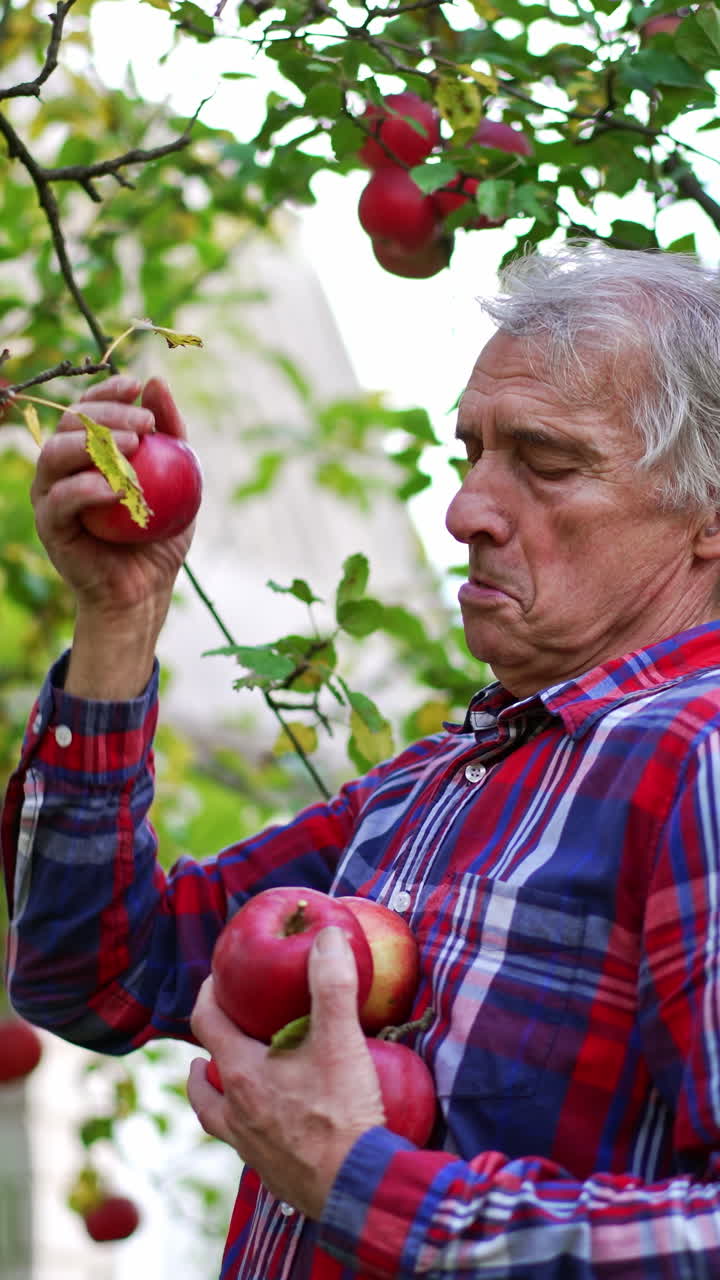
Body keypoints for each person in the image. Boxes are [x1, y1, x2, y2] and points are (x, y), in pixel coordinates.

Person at [4, 240, 720, 1279]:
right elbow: (96, 974)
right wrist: (122, 617)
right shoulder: (433, 786)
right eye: (471, 453)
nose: (465, 510)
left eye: (547, 463)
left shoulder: (698, 761)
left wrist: (363, 1184)